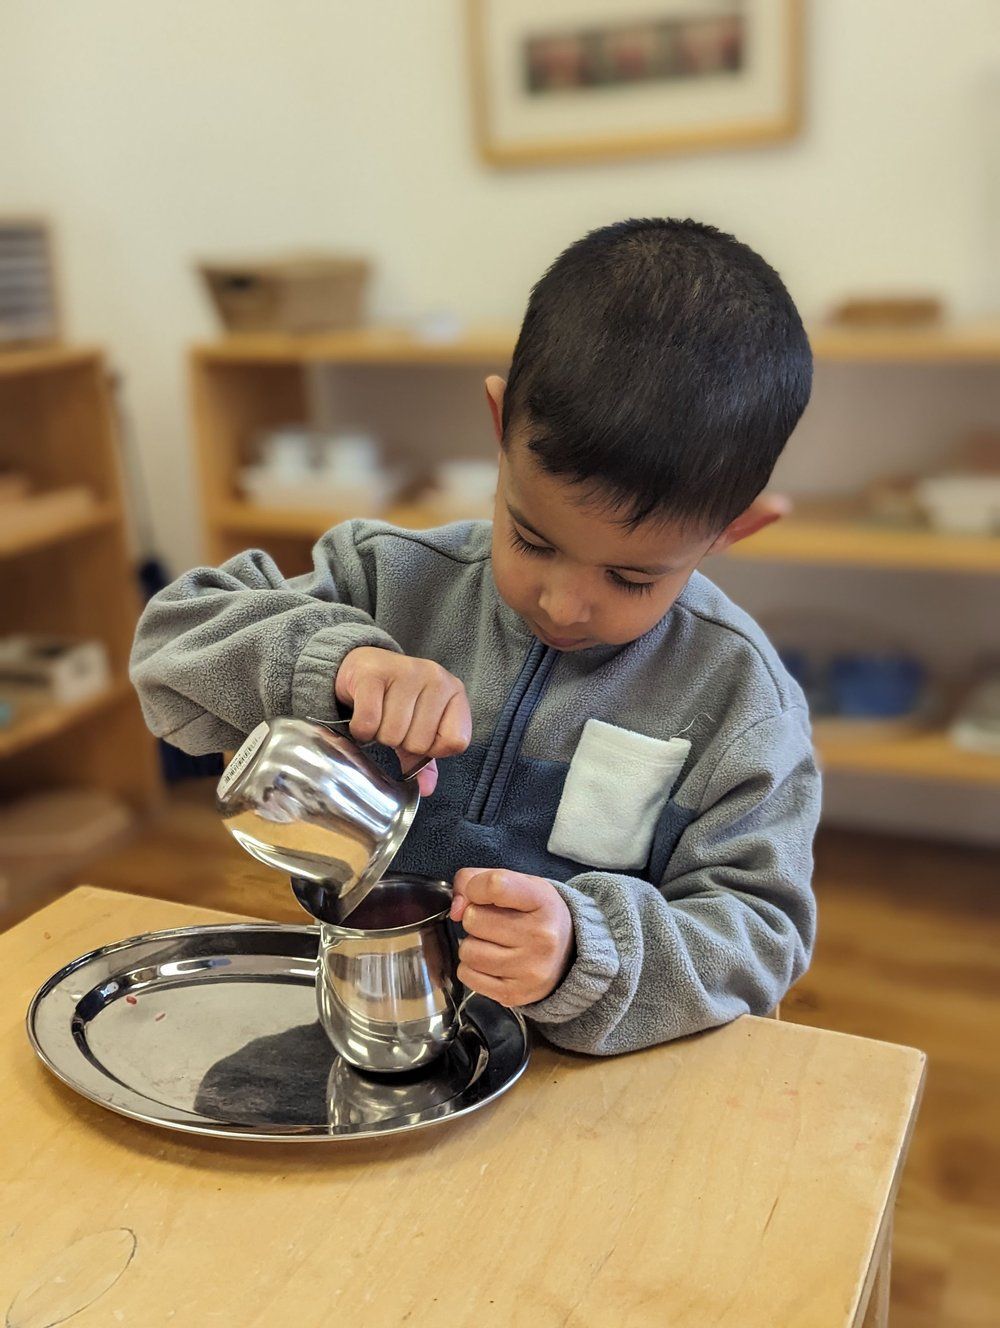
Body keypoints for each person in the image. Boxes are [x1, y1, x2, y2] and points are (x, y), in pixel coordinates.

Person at [131, 218, 820, 1056]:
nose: (564, 604)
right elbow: (171, 642)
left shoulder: (740, 699)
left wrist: (586, 952)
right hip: (363, 1032)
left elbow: (760, 938)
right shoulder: (389, 577)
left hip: (578, 1084)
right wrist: (338, 661)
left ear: (731, 530)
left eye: (633, 578)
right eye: (532, 539)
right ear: (499, 431)